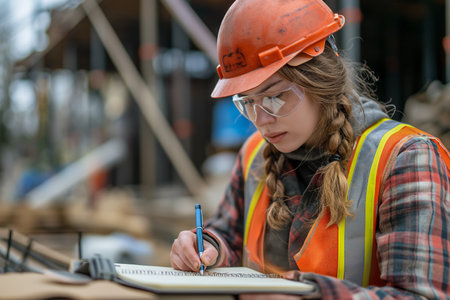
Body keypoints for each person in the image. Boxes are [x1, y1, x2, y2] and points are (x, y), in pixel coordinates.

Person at [170, 0, 450, 299]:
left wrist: (309, 294)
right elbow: (230, 234)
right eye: (247, 103)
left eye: (275, 97)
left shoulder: (406, 158)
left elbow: (422, 295)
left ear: (321, 82)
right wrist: (209, 247)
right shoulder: (254, 153)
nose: (261, 121)